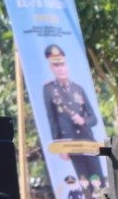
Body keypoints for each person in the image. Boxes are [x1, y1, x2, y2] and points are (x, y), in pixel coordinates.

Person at [40, 44, 104, 186]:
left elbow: (94, 119)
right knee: (84, 181)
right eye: (56, 66)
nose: (60, 68)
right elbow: (53, 120)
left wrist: (83, 121)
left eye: (62, 64)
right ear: (52, 68)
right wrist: (60, 146)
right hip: (70, 143)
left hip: (87, 140)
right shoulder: (49, 90)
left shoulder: (78, 88)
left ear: (67, 66)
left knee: (98, 179)